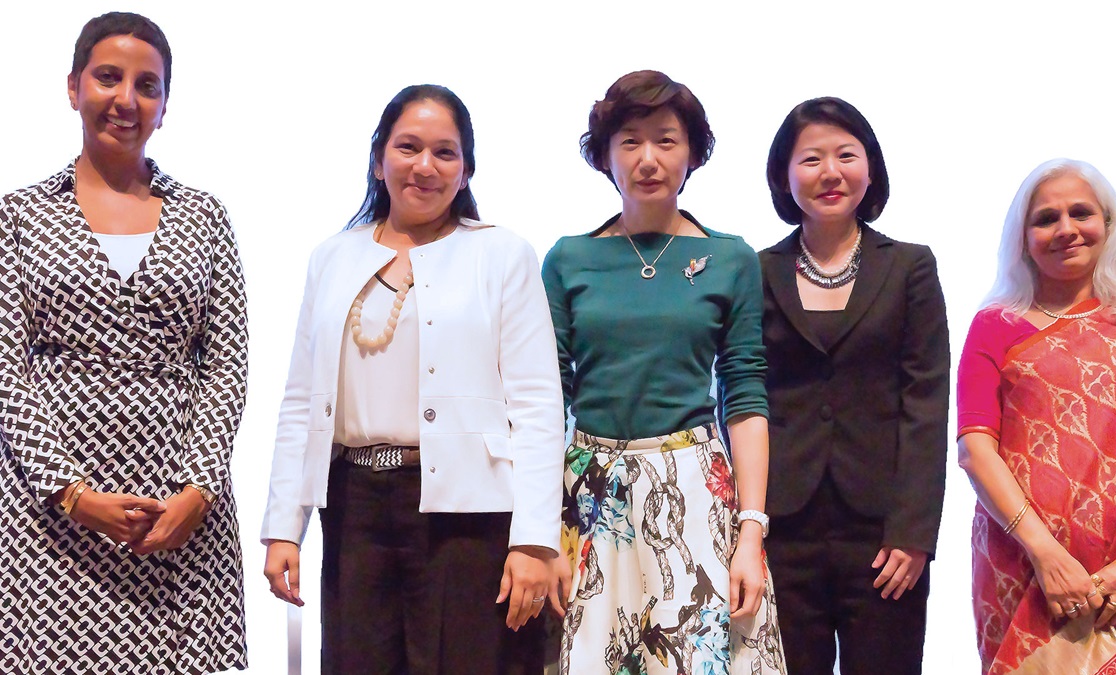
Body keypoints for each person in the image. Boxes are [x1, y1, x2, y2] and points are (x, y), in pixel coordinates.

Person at [261, 83, 563, 674]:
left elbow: (536, 405)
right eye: (408, 147)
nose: (425, 166)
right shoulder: (331, 257)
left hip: (468, 514)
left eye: (445, 152)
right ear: (379, 160)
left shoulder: (503, 254)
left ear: (466, 170)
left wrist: (533, 539)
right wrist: (284, 529)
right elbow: (300, 402)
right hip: (354, 505)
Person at [0, 12, 249, 674]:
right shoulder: (19, 216)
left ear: (165, 105)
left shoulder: (205, 216)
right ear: (73, 87)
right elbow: (6, 371)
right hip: (50, 522)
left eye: (147, 85)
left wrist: (199, 490)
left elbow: (226, 363)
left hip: (178, 516)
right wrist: (72, 494)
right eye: (108, 77)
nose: (126, 99)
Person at [544, 70, 785, 675]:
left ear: (693, 153)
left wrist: (751, 531)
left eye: (666, 140)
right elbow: (547, 399)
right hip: (589, 491)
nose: (648, 159)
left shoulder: (731, 258)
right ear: (604, 156)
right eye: (630, 141)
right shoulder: (569, 258)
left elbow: (745, 394)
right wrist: (543, 531)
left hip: (695, 488)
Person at [957, 158, 1116, 673]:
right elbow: (975, 451)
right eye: (1046, 219)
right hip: (1026, 573)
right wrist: (1046, 556)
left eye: (1081, 213)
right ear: (1023, 239)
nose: (1066, 229)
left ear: (1108, 225)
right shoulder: (995, 326)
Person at [758, 96, 949, 674]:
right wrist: (747, 524)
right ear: (784, 176)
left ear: (871, 168)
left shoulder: (910, 266)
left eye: (846, 155)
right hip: (782, 528)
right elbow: (742, 398)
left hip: (884, 533)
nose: (830, 172)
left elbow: (926, 403)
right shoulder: (757, 270)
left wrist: (914, 532)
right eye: (810, 159)